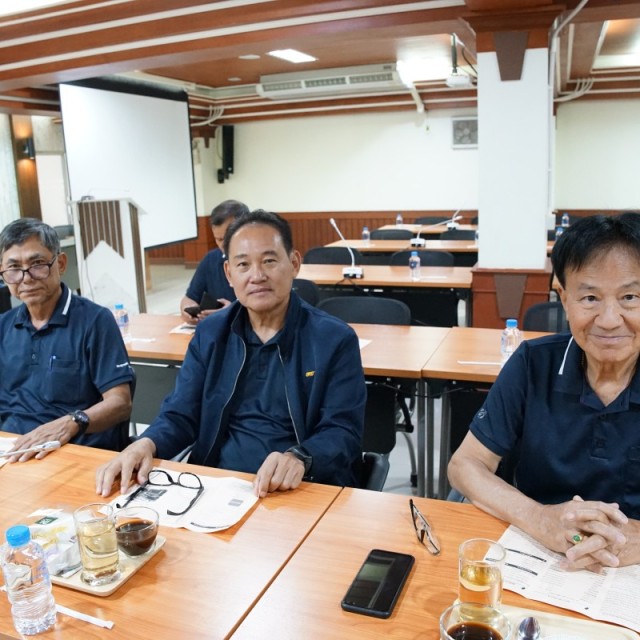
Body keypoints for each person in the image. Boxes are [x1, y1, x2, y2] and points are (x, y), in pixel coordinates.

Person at [97, 210, 366, 499]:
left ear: (294, 264)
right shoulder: (211, 333)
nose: (257, 276)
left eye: (269, 261)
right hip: (216, 486)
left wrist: (301, 457)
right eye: (243, 265)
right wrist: (146, 443)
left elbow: (342, 431)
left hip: (300, 487)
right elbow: (181, 413)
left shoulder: (333, 339)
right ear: (229, 273)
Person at [448, 213, 640, 571]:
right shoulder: (532, 364)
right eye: (590, 298)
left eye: (630, 297)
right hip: (538, 556)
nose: (609, 319)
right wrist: (540, 518)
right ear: (564, 298)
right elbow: (465, 465)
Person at [0, 218, 134, 460]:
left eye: (37, 264)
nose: (26, 278)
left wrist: (72, 422)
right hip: (12, 450)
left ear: (60, 263)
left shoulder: (95, 321)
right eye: (14, 268)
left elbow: (120, 403)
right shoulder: (3, 326)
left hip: (73, 450)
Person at [179, 199, 249, 324]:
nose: (224, 245)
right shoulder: (210, 260)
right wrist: (188, 309)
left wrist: (232, 311)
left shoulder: (260, 263)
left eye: (228, 238)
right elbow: (189, 298)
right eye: (219, 239)